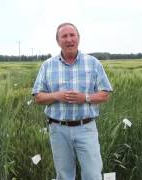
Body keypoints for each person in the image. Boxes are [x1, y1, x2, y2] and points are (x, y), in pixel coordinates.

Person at [32, 22, 113, 180]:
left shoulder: (93, 63)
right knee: (63, 175)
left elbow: (105, 93)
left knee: (92, 174)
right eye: (64, 36)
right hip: (58, 129)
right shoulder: (47, 66)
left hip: (86, 128)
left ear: (78, 38)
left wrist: (85, 98)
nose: (69, 39)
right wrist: (57, 96)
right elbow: (37, 97)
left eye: (72, 35)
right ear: (58, 41)